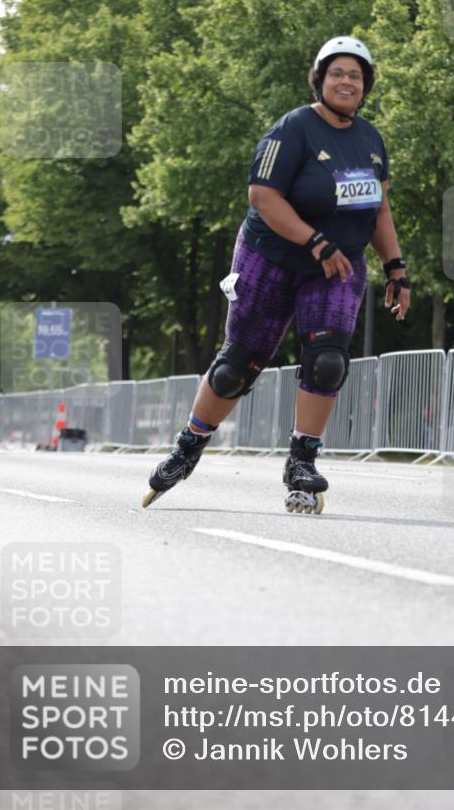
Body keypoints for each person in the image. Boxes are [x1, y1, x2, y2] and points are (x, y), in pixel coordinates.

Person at [142, 36, 410, 513]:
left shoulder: (371, 139)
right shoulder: (293, 129)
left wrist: (396, 267)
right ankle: (188, 447)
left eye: (355, 75)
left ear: (365, 85)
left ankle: (302, 461)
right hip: (273, 257)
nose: (346, 81)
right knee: (235, 368)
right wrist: (314, 240)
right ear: (320, 79)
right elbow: (262, 197)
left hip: (338, 265)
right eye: (337, 73)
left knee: (328, 359)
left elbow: (379, 207)